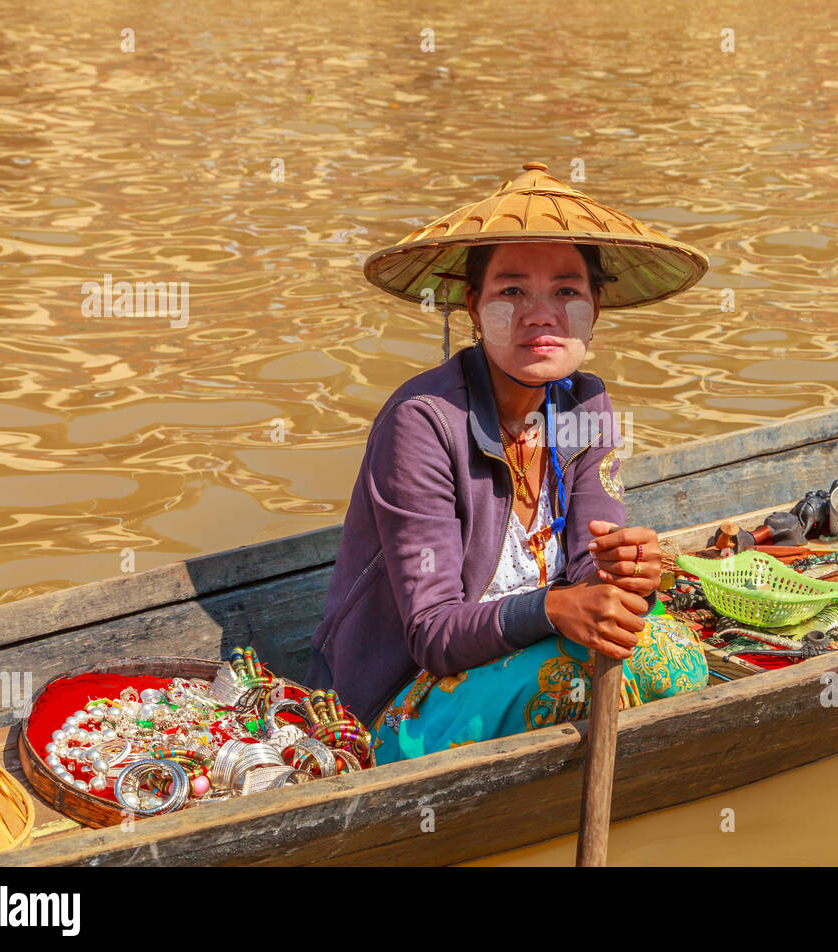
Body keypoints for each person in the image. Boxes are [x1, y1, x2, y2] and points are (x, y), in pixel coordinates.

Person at [305, 163, 712, 763]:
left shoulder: (584, 403)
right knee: (641, 660)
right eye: (511, 291)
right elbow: (433, 635)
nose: (540, 314)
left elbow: (589, 572)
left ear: (595, 308)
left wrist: (627, 572)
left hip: (532, 659)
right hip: (399, 707)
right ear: (474, 306)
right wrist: (555, 606)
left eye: (567, 291)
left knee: (670, 646)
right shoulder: (422, 423)